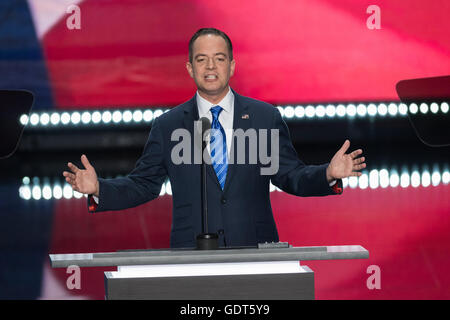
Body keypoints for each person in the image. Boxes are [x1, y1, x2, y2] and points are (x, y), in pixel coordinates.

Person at [63, 28, 366, 248]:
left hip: (255, 249)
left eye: (219, 59)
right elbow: (144, 184)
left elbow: (290, 176)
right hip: (190, 252)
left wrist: (327, 173)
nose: (210, 67)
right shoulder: (168, 125)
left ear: (232, 66)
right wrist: (99, 188)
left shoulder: (264, 117)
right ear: (190, 68)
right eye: (202, 60)